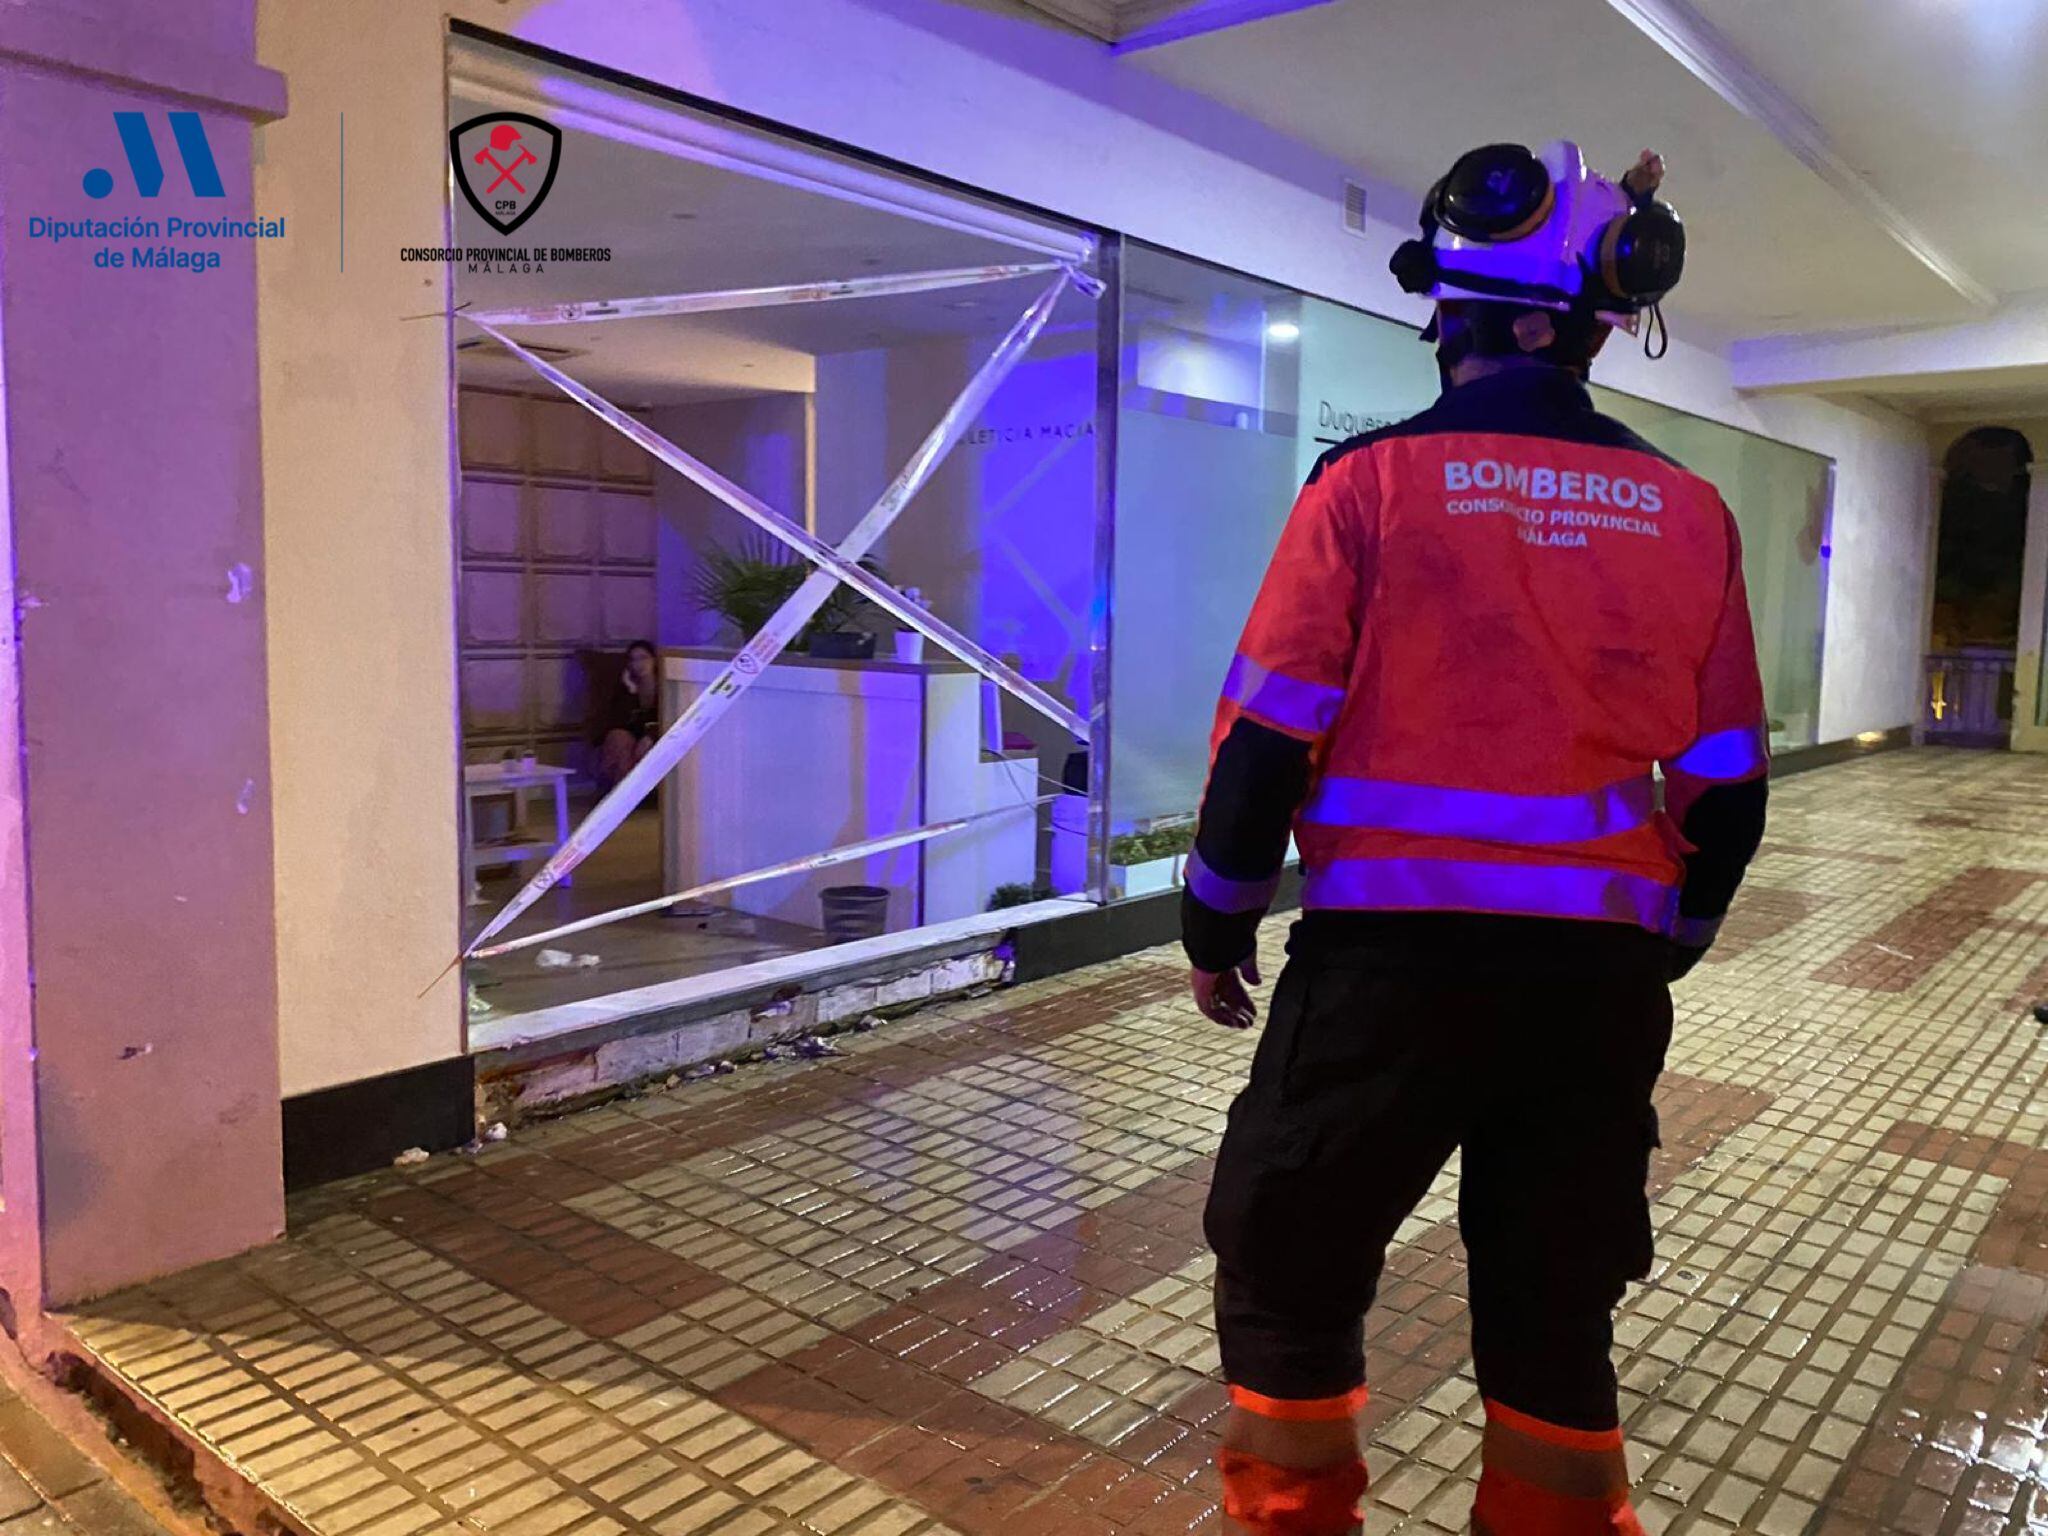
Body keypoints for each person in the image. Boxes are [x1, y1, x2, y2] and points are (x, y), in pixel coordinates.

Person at [1182, 142, 1768, 1536]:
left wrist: (1218, 922)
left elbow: (1271, 735)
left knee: (1291, 1274)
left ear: (1473, 320)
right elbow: (1729, 785)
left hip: (1385, 976)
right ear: (1589, 328)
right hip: (1594, 994)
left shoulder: (1367, 489)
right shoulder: (1690, 512)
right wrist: (1668, 940)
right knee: (1553, 1305)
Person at [594, 639, 659, 790]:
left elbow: (670, 716)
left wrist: (651, 736)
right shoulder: (626, 688)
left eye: (643, 658)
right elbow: (617, 722)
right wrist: (631, 691)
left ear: (654, 660)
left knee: (646, 746)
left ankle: (629, 794)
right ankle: (623, 794)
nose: (638, 664)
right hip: (631, 737)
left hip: (656, 735)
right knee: (619, 738)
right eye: (633, 659)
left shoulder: (665, 685)